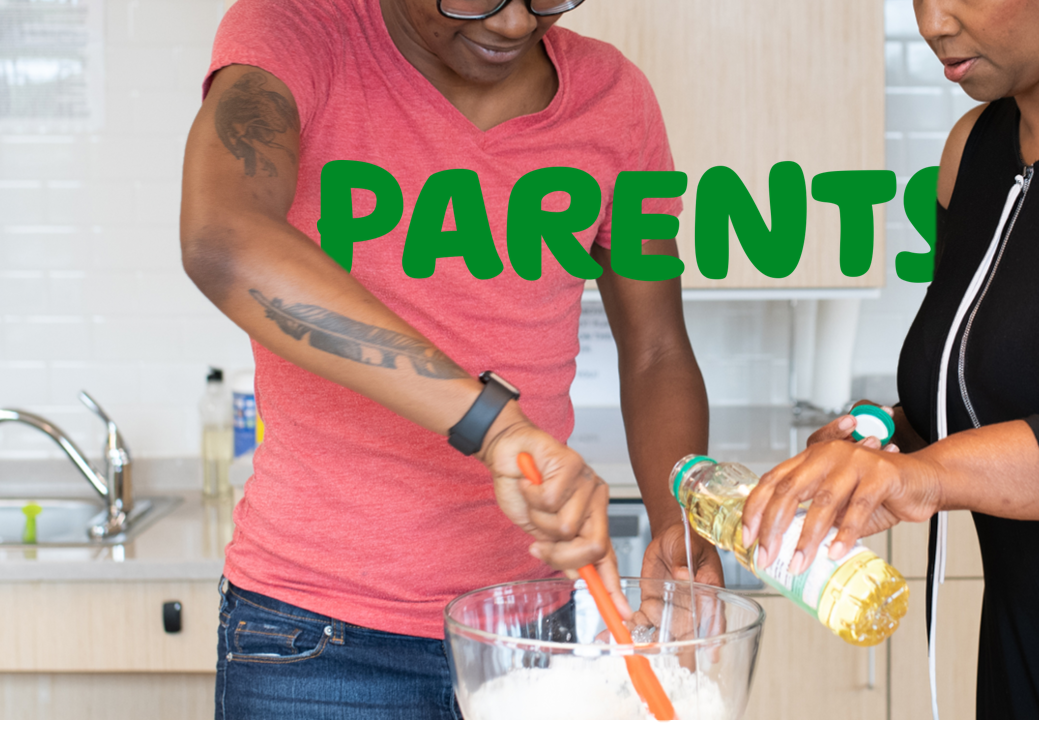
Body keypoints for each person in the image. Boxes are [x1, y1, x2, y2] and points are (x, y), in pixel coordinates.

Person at [179, 0, 721, 720]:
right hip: (319, 639)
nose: (512, 24)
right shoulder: (295, 33)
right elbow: (223, 238)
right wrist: (495, 427)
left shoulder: (613, 98)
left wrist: (679, 522)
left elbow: (655, 349)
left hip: (533, 630)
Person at [739, 0, 1039, 720]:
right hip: (1024, 667)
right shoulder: (973, 147)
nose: (931, 21)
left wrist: (928, 474)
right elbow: (994, 389)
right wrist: (883, 442)